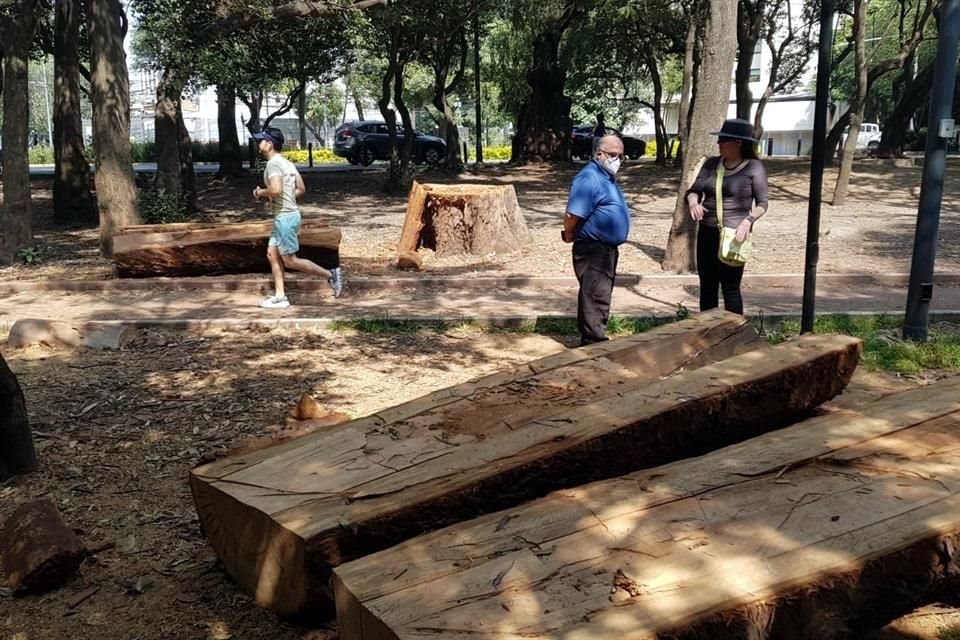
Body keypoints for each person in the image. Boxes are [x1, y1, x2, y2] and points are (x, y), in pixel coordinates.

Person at [252, 127, 343, 308]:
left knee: (290, 260)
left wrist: (259, 192)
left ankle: (331, 275)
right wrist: (284, 197)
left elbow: (276, 190)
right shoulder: (286, 163)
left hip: (285, 217)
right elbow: (300, 189)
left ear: (269, 144)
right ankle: (280, 297)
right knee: (272, 254)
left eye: (261, 140)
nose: (258, 143)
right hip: (285, 216)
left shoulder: (273, 164)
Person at [685, 118, 768, 315]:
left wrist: (748, 221)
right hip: (707, 232)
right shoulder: (712, 164)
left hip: (734, 235)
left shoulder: (753, 167)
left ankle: (734, 332)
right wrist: (693, 202)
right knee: (707, 286)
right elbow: (694, 190)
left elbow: (763, 203)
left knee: (730, 288)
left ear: (738, 143)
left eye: (723, 140)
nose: (718, 144)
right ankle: (707, 333)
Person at [562, 134, 630, 346]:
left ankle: (593, 336)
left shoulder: (605, 176)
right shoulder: (588, 177)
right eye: (612, 155)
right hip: (593, 247)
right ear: (599, 154)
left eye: (621, 156)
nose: (617, 160)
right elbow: (572, 215)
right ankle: (593, 341)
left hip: (605, 248)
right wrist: (569, 233)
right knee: (595, 293)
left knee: (599, 292)